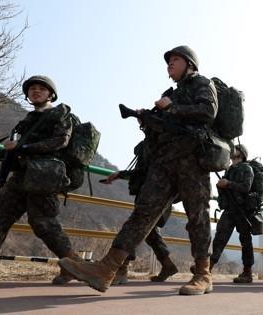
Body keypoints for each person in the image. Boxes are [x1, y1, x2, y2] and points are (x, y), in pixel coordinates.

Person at [59, 45, 218, 295]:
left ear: (190, 64)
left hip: (192, 161)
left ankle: (203, 274)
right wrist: (148, 118)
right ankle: (107, 269)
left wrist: (170, 108)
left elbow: (208, 112)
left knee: (197, 217)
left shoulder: (201, 83)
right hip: (164, 161)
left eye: (175, 60)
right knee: (142, 214)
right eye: (168, 62)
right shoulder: (172, 93)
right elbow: (167, 125)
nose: (169, 65)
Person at [0, 75, 81, 285]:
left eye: (41, 89)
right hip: (21, 176)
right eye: (32, 89)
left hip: (44, 176)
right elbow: (15, 151)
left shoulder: (60, 113)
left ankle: (74, 266)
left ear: (50, 94)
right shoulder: (27, 120)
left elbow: (60, 141)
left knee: (44, 224)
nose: (36, 91)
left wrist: (23, 148)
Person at [102, 136, 177, 284]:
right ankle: (167, 265)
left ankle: (122, 268)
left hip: (154, 193)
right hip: (158, 193)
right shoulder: (159, 141)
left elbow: (145, 171)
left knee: (134, 228)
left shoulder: (157, 142)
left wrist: (120, 174)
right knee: (150, 233)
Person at [210, 144, 255, 283]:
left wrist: (228, 184)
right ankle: (207, 268)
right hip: (229, 209)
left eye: (235, 149)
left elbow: (246, 187)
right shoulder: (229, 169)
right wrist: (221, 186)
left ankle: (247, 273)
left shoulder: (247, 169)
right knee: (219, 238)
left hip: (242, 210)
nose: (231, 151)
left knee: (245, 241)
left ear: (241, 153)